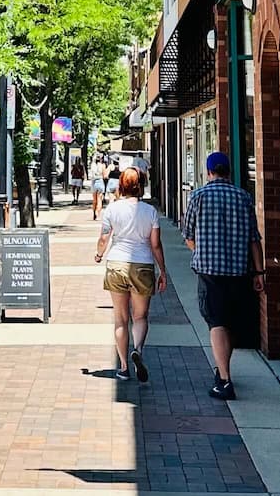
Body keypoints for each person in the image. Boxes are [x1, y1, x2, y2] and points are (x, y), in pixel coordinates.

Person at [182, 150, 263, 400]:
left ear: (208, 172)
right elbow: (254, 240)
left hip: (209, 272)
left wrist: (203, 251)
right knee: (228, 322)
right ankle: (223, 371)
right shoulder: (243, 197)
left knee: (216, 322)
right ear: (229, 171)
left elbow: (188, 237)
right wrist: (259, 272)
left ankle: (225, 380)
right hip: (239, 271)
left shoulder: (198, 196)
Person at [94, 166, 167, 382]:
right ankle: (138, 350)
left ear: (121, 185)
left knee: (120, 319)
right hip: (142, 265)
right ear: (141, 185)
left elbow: (104, 239)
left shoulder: (112, 210)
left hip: (116, 263)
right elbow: (155, 244)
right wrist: (162, 270)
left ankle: (124, 367)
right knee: (140, 317)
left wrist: (99, 255)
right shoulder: (150, 212)